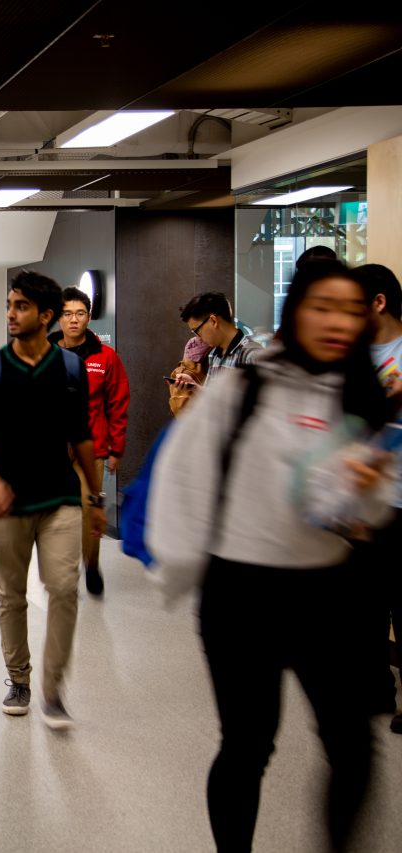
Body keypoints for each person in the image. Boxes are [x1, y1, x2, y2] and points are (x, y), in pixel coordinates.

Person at [149, 260, 393, 852]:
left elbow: (368, 511)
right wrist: (182, 572)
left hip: (330, 595)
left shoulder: (362, 397)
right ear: (297, 312)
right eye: (323, 307)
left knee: (353, 747)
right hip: (242, 595)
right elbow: (183, 479)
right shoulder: (242, 387)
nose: (337, 322)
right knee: (248, 745)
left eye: (351, 311)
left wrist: (365, 491)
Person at [0, 271, 105, 730]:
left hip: (60, 497)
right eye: (9, 304)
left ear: (45, 316)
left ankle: (53, 688)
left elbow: (81, 434)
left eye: (21, 306)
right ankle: (18, 679)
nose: (11, 313)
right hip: (5, 503)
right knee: (12, 595)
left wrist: (96, 494)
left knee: (64, 588)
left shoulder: (69, 370)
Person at [49, 286, 130, 596]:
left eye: (80, 314)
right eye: (67, 314)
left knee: (88, 508)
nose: (73, 320)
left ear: (89, 317)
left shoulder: (105, 357)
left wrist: (116, 448)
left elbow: (118, 404)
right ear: (58, 318)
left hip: (90, 447)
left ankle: (92, 565)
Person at [355, 262, 402, 734]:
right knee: (368, 601)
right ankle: (375, 689)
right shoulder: (355, 356)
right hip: (365, 498)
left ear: (379, 303)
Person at [176, 291, 259, 388]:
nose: (198, 337)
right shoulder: (214, 353)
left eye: (196, 330)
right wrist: (194, 387)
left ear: (213, 321)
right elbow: (213, 397)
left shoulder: (252, 355)